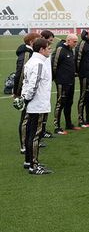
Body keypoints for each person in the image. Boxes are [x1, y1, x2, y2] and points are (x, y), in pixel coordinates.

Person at [21, 38, 53, 174]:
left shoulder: (31, 62)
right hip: (38, 104)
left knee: (30, 133)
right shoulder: (39, 63)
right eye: (48, 48)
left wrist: (24, 98)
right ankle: (34, 166)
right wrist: (27, 98)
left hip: (33, 103)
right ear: (41, 50)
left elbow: (25, 82)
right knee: (35, 135)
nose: (50, 50)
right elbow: (33, 84)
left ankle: (28, 161)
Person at [14, 32, 42, 153]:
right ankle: (24, 145)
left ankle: (30, 142)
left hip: (31, 90)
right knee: (25, 119)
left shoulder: (31, 53)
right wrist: (18, 92)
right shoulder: (26, 54)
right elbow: (20, 74)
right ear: (31, 42)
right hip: (25, 91)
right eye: (38, 40)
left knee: (30, 118)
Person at [52, 34, 78, 134]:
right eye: (74, 42)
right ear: (68, 40)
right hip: (62, 81)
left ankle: (69, 124)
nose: (76, 44)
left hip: (71, 81)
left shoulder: (71, 49)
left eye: (76, 41)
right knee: (60, 103)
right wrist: (56, 78)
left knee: (69, 102)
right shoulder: (60, 49)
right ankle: (57, 126)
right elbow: (54, 64)